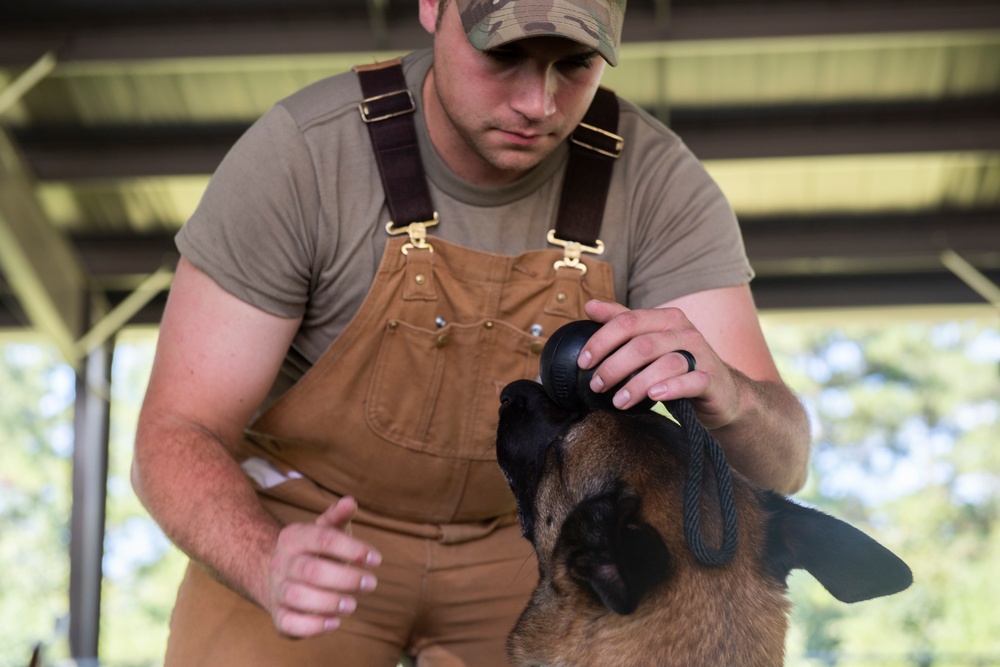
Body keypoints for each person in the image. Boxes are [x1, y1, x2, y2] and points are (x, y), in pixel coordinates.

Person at [132, 0, 811, 663]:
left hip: (523, 543)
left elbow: (782, 467)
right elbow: (175, 432)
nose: (538, 103)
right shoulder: (303, 155)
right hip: (303, 527)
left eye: (575, 64)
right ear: (433, 7)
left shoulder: (662, 184)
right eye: (505, 54)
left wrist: (735, 398)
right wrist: (262, 560)